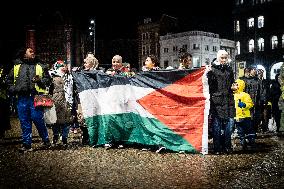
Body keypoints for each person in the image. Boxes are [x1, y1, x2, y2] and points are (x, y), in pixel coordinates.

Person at [7, 47, 51, 152]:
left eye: (33, 51)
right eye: (30, 51)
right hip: (21, 98)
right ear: (24, 54)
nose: (33, 53)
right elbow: (8, 80)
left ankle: (46, 140)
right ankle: (27, 144)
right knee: (24, 121)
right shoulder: (16, 66)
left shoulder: (40, 65)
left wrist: (40, 81)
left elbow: (48, 79)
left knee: (38, 119)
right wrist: (14, 89)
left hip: (36, 97)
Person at [206, 50, 235, 154]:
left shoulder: (229, 69)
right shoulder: (212, 69)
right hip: (216, 101)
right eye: (222, 57)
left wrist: (234, 86)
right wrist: (208, 74)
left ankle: (227, 146)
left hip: (228, 99)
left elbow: (232, 82)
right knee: (216, 125)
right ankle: (217, 147)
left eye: (225, 58)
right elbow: (208, 85)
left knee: (230, 124)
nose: (224, 59)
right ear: (217, 58)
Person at [49, 60, 73, 146]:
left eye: (64, 65)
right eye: (61, 66)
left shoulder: (70, 76)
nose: (64, 67)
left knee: (66, 121)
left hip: (68, 101)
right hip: (56, 101)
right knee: (55, 121)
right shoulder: (52, 76)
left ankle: (64, 138)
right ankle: (55, 136)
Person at [232, 79, 255, 150]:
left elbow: (251, 104)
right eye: (233, 84)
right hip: (237, 116)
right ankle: (243, 142)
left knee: (249, 130)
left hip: (245, 116)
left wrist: (244, 105)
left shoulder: (245, 95)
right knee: (240, 131)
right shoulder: (232, 95)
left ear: (240, 86)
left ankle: (251, 142)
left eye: (236, 84)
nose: (234, 85)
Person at [0, 65, 11, 138]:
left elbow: (7, 85)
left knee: (3, 115)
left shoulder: (4, 76)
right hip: (3, 97)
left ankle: (2, 132)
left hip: (3, 98)